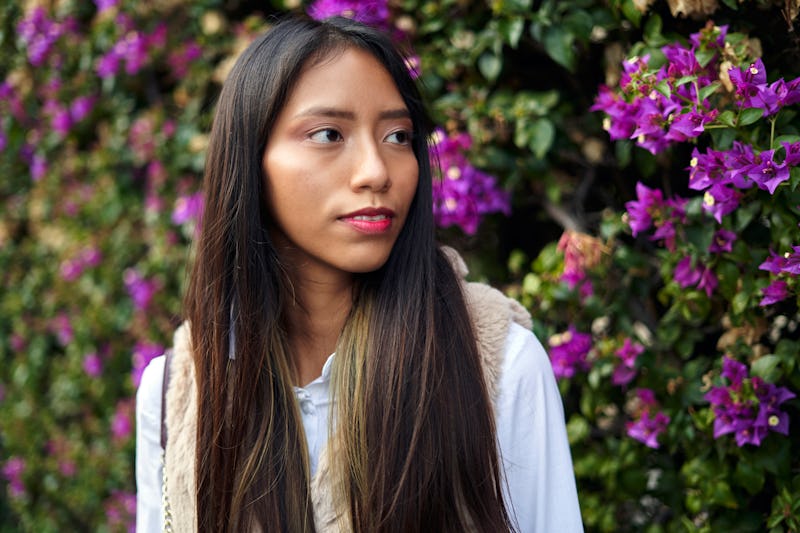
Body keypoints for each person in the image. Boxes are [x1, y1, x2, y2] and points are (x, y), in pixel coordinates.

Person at [136, 15, 583, 533]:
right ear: (250, 160)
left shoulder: (497, 366)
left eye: (397, 136)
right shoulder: (178, 394)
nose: (376, 170)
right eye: (328, 134)